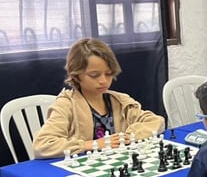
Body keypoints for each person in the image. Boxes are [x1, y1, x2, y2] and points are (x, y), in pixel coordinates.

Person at [33, 38, 164, 158]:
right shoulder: (67, 105)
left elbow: (156, 121)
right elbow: (42, 145)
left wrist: (129, 136)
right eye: (94, 75)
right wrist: (91, 144)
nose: (103, 81)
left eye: (108, 74)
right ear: (76, 75)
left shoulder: (120, 101)